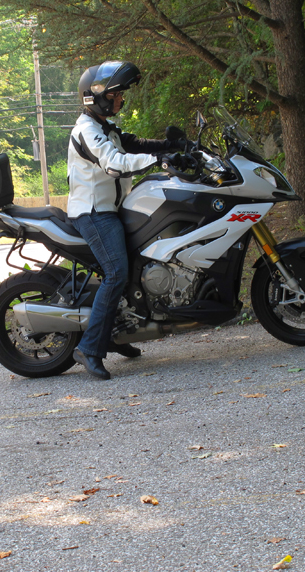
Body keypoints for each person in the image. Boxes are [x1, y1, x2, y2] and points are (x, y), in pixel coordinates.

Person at [67, 61, 179, 380]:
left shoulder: (105, 127)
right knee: (117, 273)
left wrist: (176, 146)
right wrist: (159, 160)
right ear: (97, 97)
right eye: (116, 95)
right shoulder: (87, 131)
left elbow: (135, 144)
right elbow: (115, 163)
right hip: (94, 214)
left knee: (135, 268)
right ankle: (89, 348)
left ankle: (118, 334)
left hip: (111, 209)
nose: (120, 100)